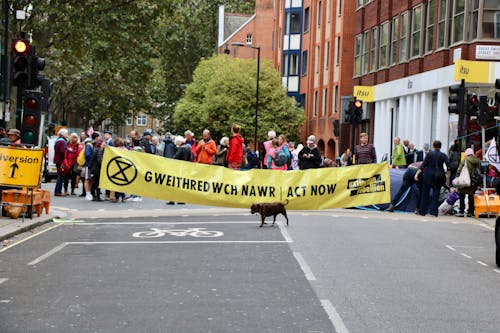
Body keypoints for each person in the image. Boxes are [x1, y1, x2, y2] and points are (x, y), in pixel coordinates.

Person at [414, 140, 450, 216]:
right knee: (436, 194)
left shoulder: (429, 154)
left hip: (428, 175)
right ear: (440, 147)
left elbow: (423, 165)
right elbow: (448, 166)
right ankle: (434, 212)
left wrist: (417, 174)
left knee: (425, 193)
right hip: (439, 175)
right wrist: (447, 175)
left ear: (433, 146)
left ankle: (422, 211)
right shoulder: (443, 155)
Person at [455, 148, 481, 217]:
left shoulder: (465, 160)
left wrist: (457, 178)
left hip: (465, 180)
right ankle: (471, 212)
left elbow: (459, 170)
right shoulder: (478, 160)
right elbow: (480, 171)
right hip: (473, 181)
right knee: (471, 196)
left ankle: (461, 211)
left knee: (462, 196)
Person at [54, 128, 69, 197]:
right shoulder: (62, 142)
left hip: (58, 161)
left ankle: (58, 191)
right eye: (66, 134)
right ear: (63, 134)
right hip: (61, 162)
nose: (67, 135)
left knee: (60, 175)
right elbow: (63, 151)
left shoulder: (58, 140)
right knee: (60, 176)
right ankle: (58, 191)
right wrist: (68, 149)